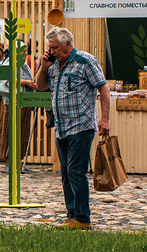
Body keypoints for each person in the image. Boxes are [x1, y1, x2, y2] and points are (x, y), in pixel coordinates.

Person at [36, 27, 109, 230]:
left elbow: (103, 87)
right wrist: (43, 66)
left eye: (55, 47)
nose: (52, 51)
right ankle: (72, 215)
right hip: (61, 127)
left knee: (76, 172)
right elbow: (40, 86)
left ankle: (82, 218)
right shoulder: (53, 65)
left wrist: (105, 118)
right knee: (66, 174)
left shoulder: (85, 61)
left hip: (81, 125)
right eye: (50, 48)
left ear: (68, 44)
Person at [0, 43, 36, 171]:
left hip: (23, 101)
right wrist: (27, 82)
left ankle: (18, 164)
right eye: (22, 50)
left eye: (25, 50)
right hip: (13, 102)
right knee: (11, 132)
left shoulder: (22, 63)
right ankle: (9, 164)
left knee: (21, 132)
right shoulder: (11, 63)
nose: (24, 53)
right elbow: (9, 81)